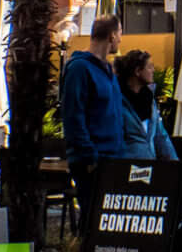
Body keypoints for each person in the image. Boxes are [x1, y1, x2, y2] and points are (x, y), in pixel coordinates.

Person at [59, 14, 127, 198]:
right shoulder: (80, 69)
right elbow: (73, 116)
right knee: (91, 216)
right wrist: (89, 157)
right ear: (112, 36)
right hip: (93, 161)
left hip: (113, 158)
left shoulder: (108, 70)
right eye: (120, 33)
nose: (121, 39)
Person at [116, 49, 172, 161]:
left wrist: (174, 165)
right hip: (125, 168)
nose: (153, 70)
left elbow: (160, 136)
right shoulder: (117, 100)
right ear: (137, 71)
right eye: (150, 67)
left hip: (149, 166)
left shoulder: (150, 100)